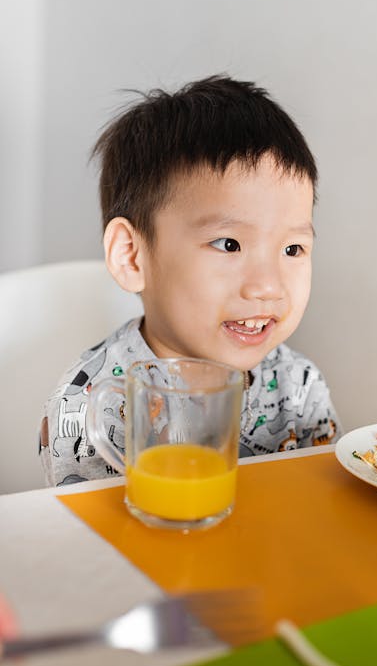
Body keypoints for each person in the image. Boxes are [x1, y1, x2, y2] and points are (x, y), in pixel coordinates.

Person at [39, 75, 342, 486]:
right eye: (229, 244)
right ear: (132, 256)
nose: (268, 286)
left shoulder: (299, 387)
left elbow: (319, 510)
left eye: (293, 249)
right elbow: (94, 540)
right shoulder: (92, 404)